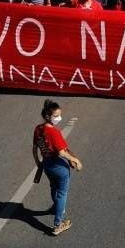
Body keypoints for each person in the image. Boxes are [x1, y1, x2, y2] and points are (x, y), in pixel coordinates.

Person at [32, 99, 82, 236]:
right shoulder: (54, 132)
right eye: (56, 116)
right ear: (48, 116)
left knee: (54, 188)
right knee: (62, 194)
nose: (59, 118)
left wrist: (38, 163)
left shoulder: (38, 129)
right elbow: (61, 152)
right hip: (58, 167)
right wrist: (75, 160)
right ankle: (58, 225)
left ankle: (55, 208)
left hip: (47, 165)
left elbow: (34, 148)